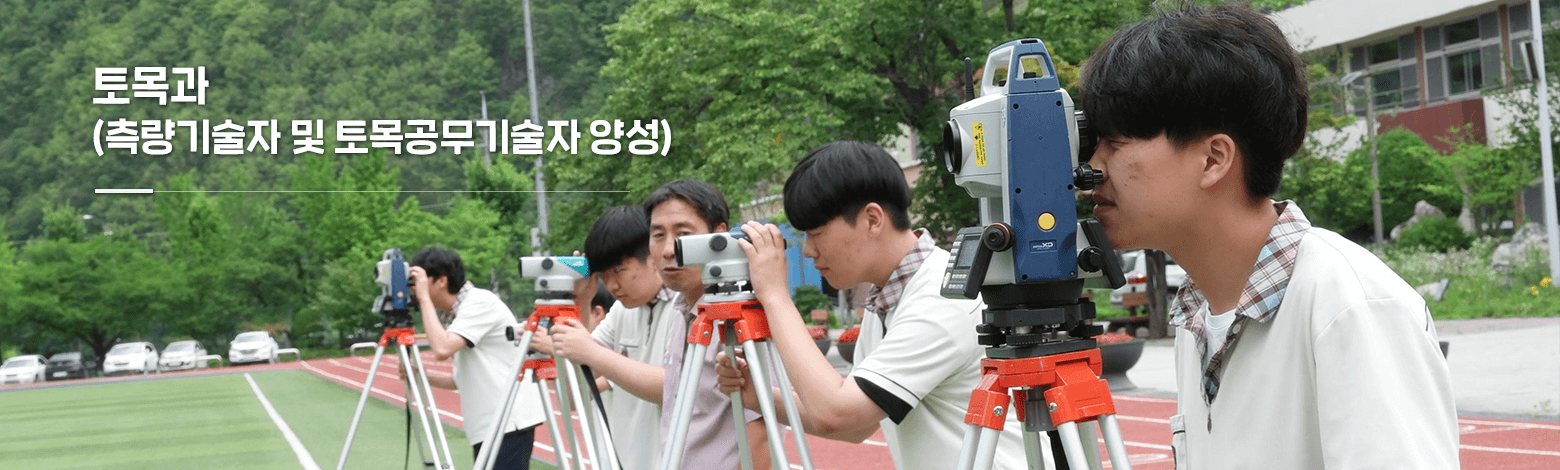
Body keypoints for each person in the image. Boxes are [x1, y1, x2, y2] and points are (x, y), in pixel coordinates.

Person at [1077, 3, 1458, 468]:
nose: (1091, 168)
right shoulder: (1197, 317)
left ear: (1214, 159)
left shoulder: (1349, 308)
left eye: (1114, 144)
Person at [715, 141, 1030, 470]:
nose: (808, 251)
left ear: (872, 219)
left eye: (816, 233)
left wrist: (776, 296)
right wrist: (759, 396)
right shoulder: (891, 297)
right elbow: (857, 424)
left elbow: (836, 412)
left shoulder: (940, 299)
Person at [643, 179, 770, 469]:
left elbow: (760, 441)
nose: (667, 250)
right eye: (657, 235)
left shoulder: (745, 316)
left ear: (720, 235)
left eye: (683, 234)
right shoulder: (684, 311)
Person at [546, 205, 682, 470]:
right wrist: (582, 300)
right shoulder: (622, 311)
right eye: (604, 276)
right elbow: (574, 391)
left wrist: (595, 354)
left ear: (652, 257)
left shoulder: (685, 306)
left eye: (619, 271)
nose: (612, 286)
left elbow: (675, 388)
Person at [406, 247, 545, 470]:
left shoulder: (479, 302)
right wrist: (419, 375)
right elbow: (459, 379)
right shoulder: (460, 314)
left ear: (441, 280)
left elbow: (441, 349)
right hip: (492, 425)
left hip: (508, 422)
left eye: (419, 280)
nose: (414, 288)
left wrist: (424, 299)